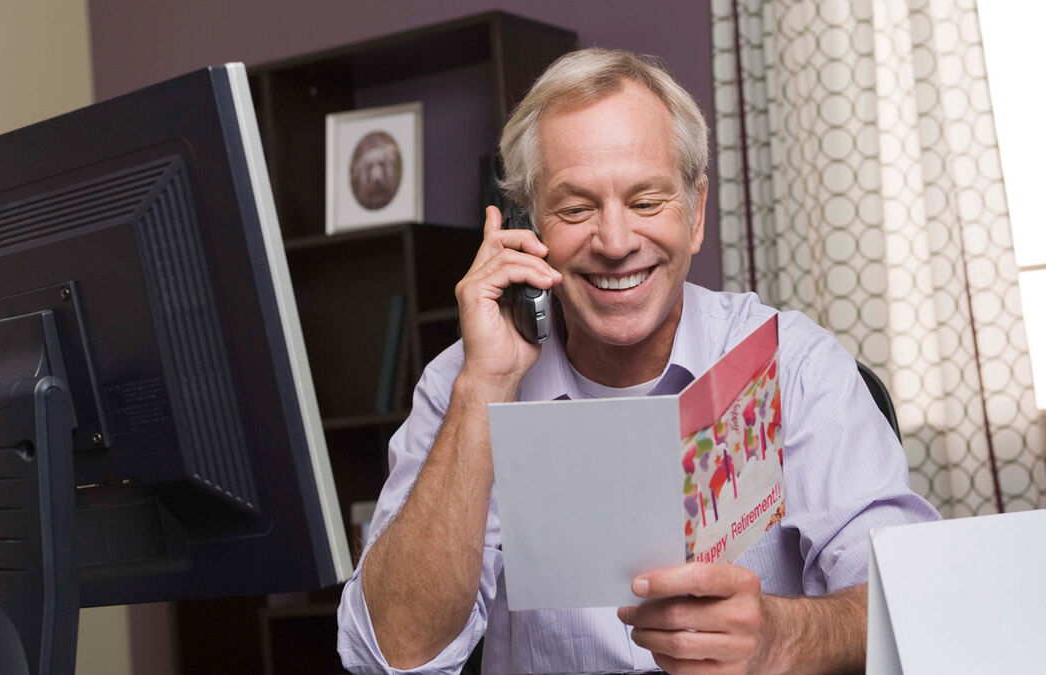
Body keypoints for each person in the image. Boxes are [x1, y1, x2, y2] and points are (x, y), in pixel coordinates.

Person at [338, 48, 939, 674]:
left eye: (648, 202)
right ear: (526, 223)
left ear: (697, 212)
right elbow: (393, 655)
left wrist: (778, 636)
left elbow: (912, 602)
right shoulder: (464, 382)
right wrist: (484, 389)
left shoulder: (796, 363)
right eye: (575, 209)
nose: (617, 243)